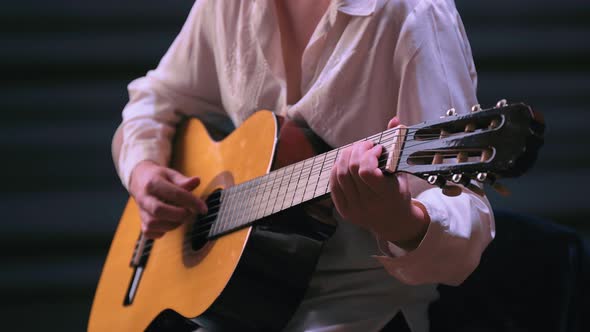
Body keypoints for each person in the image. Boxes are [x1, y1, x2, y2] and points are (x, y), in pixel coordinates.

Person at [111, 0, 495, 331]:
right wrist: (142, 170)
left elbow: (467, 217)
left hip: (357, 308)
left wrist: (399, 219)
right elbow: (156, 97)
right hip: (236, 308)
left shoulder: (413, 12)